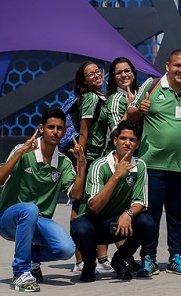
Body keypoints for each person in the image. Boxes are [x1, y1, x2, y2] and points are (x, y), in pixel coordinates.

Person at [128, 49, 181, 277]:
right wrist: (139, 110)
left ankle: (176, 257)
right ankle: (149, 258)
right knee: (151, 215)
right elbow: (130, 115)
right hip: (151, 165)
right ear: (167, 66)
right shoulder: (151, 86)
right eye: (177, 65)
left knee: (177, 215)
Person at [0, 106, 86, 293]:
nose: (55, 132)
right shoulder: (23, 150)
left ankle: (32, 258)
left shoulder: (64, 163)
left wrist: (81, 165)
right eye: (51, 127)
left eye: (59, 128)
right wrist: (20, 153)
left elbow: (76, 195)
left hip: (38, 222)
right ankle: (21, 272)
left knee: (67, 249)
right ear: (41, 128)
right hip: (8, 220)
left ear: (64, 131)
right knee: (29, 209)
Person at [70, 120, 157, 282]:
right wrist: (116, 176)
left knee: (147, 222)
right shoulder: (99, 165)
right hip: (94, 224)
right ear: (115, 140)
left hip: (118, 224)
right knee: (78, 227)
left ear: (138, 144)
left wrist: (128, 214)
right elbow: (94, 207)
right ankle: (89, 263)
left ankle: (119, 259)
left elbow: (140, 201)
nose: (127, 143)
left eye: (132, 140)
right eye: (123, 138)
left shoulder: (140, 166)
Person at [70, 61, 115, 276]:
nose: (96, 75)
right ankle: (79, 260)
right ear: (83, 81)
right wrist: (81, 161)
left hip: (99, 159)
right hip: (89, 160)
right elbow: (84, 131)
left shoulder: (101, 96)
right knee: (80, 207)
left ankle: (101, 258)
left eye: (97, 71)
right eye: (91, 74)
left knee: (99, 207)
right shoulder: (90, 98)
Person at [106, 57, 141, 126]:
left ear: (133, 74)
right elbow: (116, 130)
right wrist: (130, 107)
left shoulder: (142, 92)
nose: (123, 75)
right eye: (119, 73)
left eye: (127, 71)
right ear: (114, 78)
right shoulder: (115, 100)